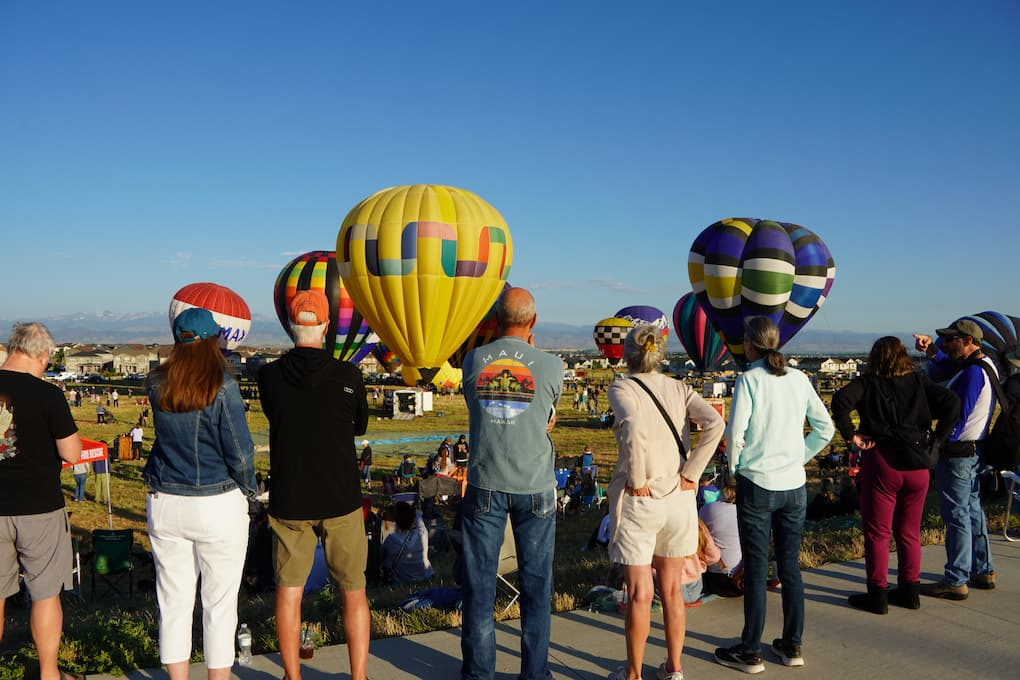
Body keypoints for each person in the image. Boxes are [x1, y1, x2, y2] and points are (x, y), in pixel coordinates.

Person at [257, 289, 371, 680]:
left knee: (289, 591)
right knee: (353, 590)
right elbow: (360, 425)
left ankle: (292, 674)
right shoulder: (349, 375)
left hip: (290, 499)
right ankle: (358, 676)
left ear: (291, 328)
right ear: (326, 327)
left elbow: (277, 415)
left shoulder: (268, 376)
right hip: (340, 497)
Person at [714, 317, 835, 674]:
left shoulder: (748, 380)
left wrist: (736, 471)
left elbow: (736, 434)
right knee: (790, 567)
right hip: (793, 484)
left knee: (755, 569)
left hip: (757, 484)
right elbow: (824, 428)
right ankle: (792, 644)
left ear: (749, 346)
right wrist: (799, 455)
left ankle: (750, 650)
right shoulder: (799, 379)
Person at [605, 323, 725, 680]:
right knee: (672, 590)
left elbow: (632, 425)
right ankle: (674, 669)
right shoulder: (679, 387)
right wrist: (692, 472)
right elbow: (715, 424)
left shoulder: (622, 386)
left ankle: (633, 674)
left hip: (643, 500)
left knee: (640, 593)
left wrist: (638, 478)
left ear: (627, 354)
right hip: (679, 497)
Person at [143, 307, 256, 680]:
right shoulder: (223, 385)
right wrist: (250, 491)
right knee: (219, 604)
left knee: (173, 602)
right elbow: (240, 452)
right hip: (217, 503)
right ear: (214, 342)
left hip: (166, 501)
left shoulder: (156, 383)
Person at [460, 287, 563, 680]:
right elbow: (545, 417)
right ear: (533, 322)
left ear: (495, 321)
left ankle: (478, 673)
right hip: (535, 486)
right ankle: (535, 674)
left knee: (479, 588)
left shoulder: (473, 361)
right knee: (536, 589)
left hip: (486, 482)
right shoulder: (552, 366)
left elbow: (479, 409)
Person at [831, 336, 960, 613]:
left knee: (878, 533)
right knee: (910, 533)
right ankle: (909, 591)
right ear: (904, 356)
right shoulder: (919, 381)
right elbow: (952, 402)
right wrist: (937, 439)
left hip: (883, 463)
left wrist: (851, 435)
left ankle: (878, 595)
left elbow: (840, 400)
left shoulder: (868, 382)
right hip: (918, 465)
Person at [0, 322, 83, 680]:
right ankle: (49, 674)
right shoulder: (48, 395)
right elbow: (71, 452)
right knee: (45, 593)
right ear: (42, 354)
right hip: (39, 507)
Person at [914, 319, 999, 598]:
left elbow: (957, 418)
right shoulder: (984, 365)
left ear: (968, 341)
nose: (946, 345)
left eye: (951, 340)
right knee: (972, 511)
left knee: (957, 517)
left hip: (958, 455)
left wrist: (937, 443)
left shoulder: (973, 374)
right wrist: (932, 353)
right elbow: (949, 366)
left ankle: (956, 578)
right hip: (974, 452)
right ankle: (983, 570)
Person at [700, 474, 744, 598]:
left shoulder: (708, 509)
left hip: (715, 580)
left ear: (722, 485)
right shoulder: (750, 512)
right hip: (744, 580)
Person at [381, 501, 433, 584]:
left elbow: (386, 563)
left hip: (401, 580)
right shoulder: (422, 533)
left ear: (395, 520)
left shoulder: (391, 540)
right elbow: (419, 518)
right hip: (424, 576)